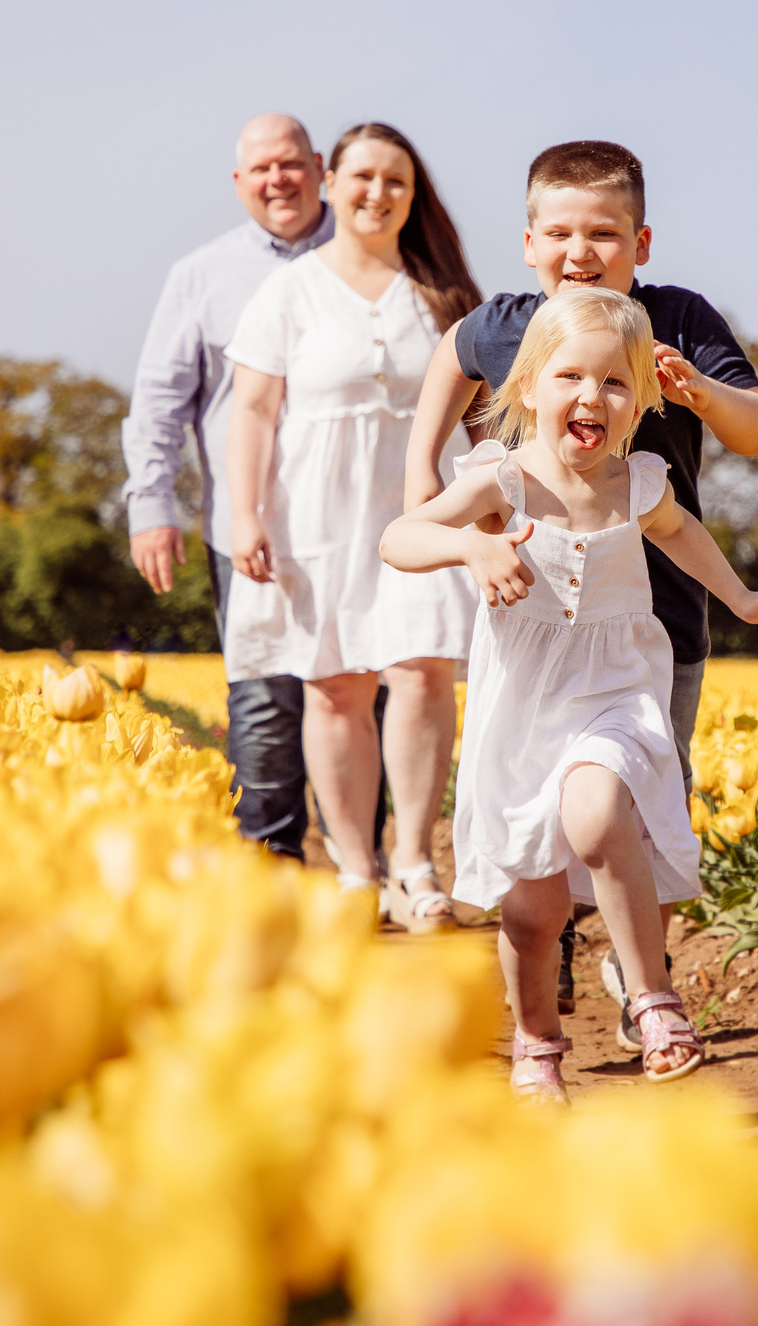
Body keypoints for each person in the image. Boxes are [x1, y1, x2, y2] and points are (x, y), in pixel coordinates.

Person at [382, 287, 758, 1101]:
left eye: (615, 383)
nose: (590, 397)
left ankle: (654, 998)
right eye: (570, 376)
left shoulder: (639, 481)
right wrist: (470, 548)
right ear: (528, 385)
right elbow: (401, 538)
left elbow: (681, 534)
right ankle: (537, 1044)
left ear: (641, 400)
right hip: (524, 709)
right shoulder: (501, 480)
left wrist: (741, 596)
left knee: (601, 809)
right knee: (532, 915)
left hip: (614, 688)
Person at [223, 122, 481, 926]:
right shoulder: (288, 291)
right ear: (329, 183)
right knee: (333, 683)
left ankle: (413, 862)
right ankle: (355, 871)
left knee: (422, 671)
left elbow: (483, 415)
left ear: (415, 195)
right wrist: (245, 513)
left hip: (420, 510)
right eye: (363, 176)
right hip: (315, 516)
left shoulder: (443, 291)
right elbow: (254, 412)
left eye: (396, 180)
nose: (378, 193)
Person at [121, 113, 336, 860]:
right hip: (247, 528)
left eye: (291, 163)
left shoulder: (372, 255)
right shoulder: (201, 275)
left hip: (359, 523)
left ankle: (360, 870)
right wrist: (152, 504)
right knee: (265, 697)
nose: (278, 180)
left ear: (318, 165)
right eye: (261, 169)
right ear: (239, 183)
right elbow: (158, 399)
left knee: (360, 697)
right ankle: (271, 866)